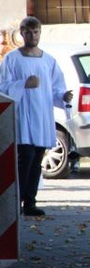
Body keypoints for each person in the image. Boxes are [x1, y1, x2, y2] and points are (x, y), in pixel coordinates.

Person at [0, 16, 72, 217]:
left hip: (41, 116)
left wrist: (63, 96)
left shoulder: (48, 61)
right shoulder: (12, 59)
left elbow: (56, 87)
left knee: (37, 159)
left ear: (40, 32)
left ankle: (30, 201)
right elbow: (3, 87)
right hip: (23, 116)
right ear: (21, 34)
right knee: (26, 157)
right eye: (28, 32)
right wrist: (23, 84)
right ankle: (17, 200)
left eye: (36, 32)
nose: (32, 36)